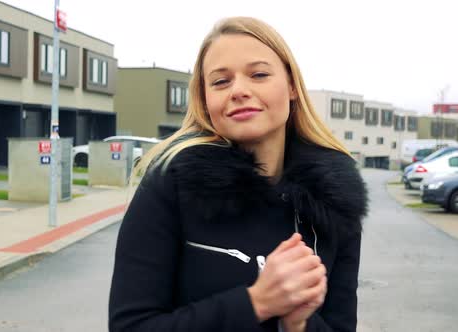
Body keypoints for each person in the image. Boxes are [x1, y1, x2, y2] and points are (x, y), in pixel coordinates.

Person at [109, 16, 368, 332]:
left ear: (291, 86)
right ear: (205, 99)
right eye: (220, 81)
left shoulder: (334, 201)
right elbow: (131, 326)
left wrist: (298, 324)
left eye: (258, 74)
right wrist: (256, 303)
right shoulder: (170, 184)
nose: (239, 90)